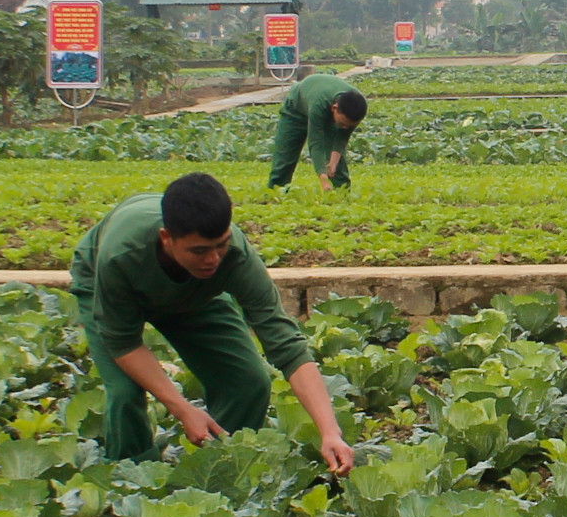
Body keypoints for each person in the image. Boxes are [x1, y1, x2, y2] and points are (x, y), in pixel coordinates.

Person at [70, 169, 358, 472]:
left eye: (220, 244)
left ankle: (220, 469)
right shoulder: (121, 255)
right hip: (104, 283)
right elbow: (123, 343)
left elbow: (286, 343)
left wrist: (329, 431)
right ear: (166, 238)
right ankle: (132, 479)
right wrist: (182, 410)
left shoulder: (233, 255)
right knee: (125, 392)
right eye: (200, 250)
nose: (213, 259)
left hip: (194, 290)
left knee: (248, 383)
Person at [268, 71, 369, 190]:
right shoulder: (319, 104)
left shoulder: (357, 108)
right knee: (285, 158)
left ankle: (342, 193)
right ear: (334, 108)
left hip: (325, 108)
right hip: (296, 110)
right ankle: (276, 192)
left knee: (336, 163)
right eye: (342, 123)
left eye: (349, 125)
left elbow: (342, 139)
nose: (345, 128)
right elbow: (316, 143)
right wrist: (323, 179)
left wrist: (333, 163)